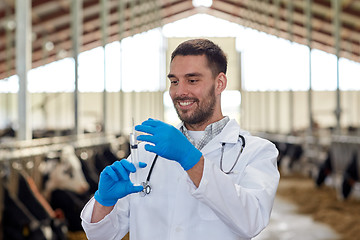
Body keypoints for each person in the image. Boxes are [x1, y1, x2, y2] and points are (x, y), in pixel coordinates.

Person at [81, 39, 280, 240]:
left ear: (219, 83)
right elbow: (101, 236)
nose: (180, 92)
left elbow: (252, 220)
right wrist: (104, 202)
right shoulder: (146, 153)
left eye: (192, 80)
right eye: (174, 81)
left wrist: (191, 159)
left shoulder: (256, 151)